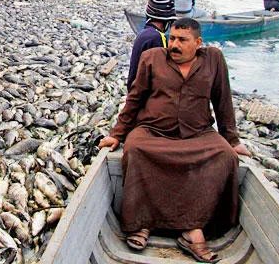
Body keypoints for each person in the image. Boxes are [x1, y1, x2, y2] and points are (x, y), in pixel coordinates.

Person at [99, 18, 251, 263]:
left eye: (182, 40)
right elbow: (135, 98)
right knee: (135, 149)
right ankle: (143, 223)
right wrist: (117, 134)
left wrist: (232, 139)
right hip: (153, 130)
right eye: (172, 39)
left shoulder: (213, 59)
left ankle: (193, 229)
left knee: (225, 157)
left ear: (198, 43)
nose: (174, 45)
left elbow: (223, 101)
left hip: (197, 133)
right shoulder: (152, 58)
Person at [126, 0, 177, 92]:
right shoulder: (158, 38)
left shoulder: (144, 33)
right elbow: (162, 74)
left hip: (134, 90)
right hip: (144, 95)